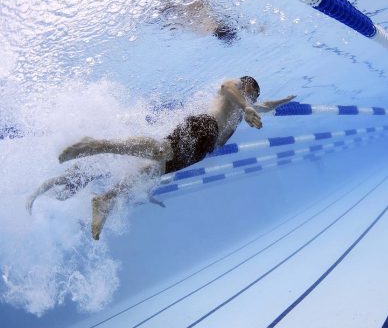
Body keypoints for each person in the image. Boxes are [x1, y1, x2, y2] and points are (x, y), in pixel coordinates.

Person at [29, 77, 296, 240]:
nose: (250, 96)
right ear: (245, 84)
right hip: (203, 126)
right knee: (160, 151)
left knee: (152, 171)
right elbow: (228, 88)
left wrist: (283, 100)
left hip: (200, 151)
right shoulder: (235, 90)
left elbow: (266, 105)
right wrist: (247, 105)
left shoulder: (244, 108)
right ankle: (95, 145)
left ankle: (106, 198)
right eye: (249, 91)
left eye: (252, 96)